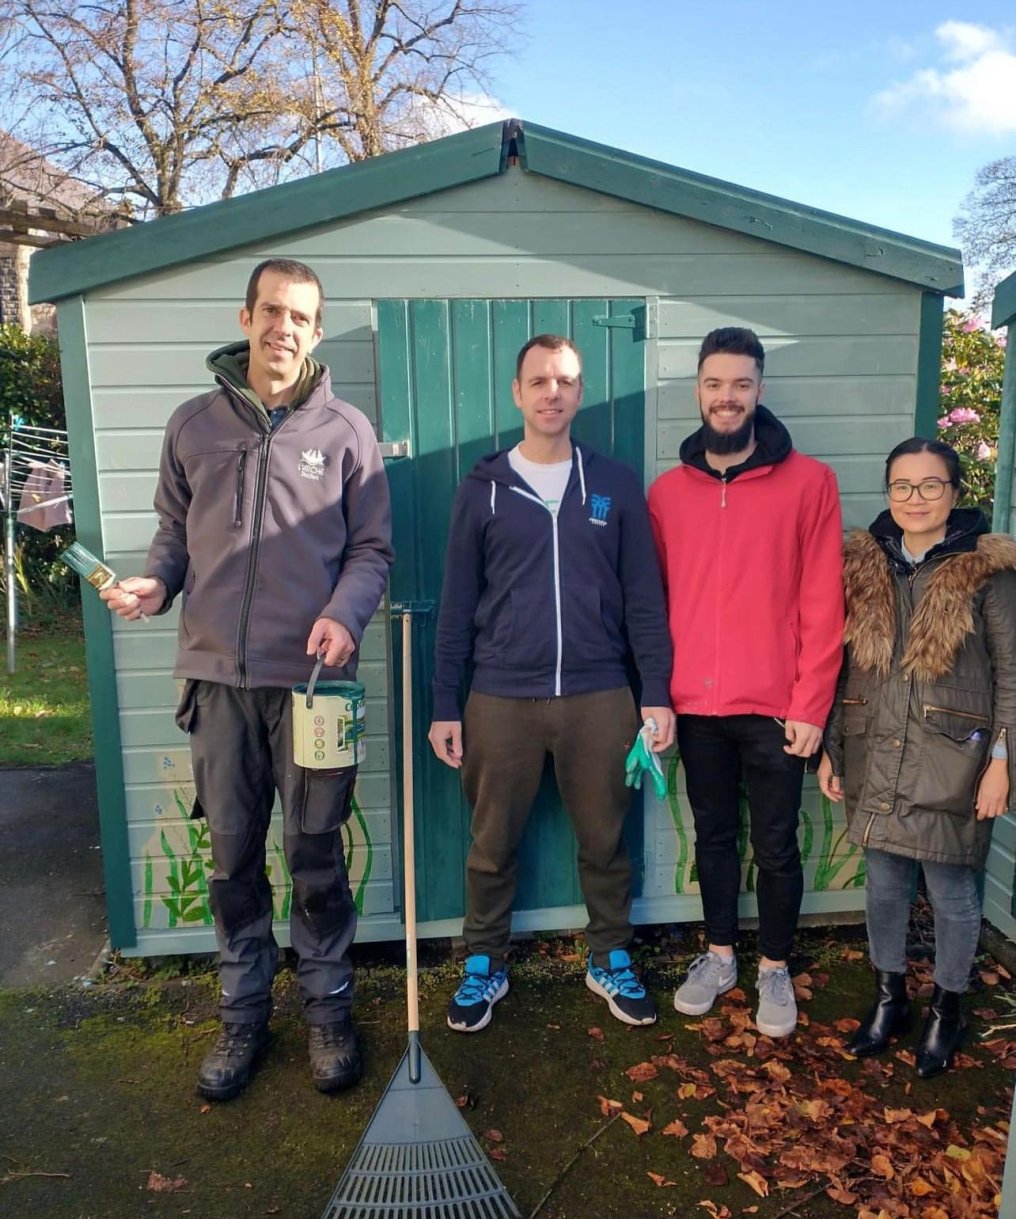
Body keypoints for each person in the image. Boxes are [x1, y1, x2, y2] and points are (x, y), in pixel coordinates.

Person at [101, 258, 394, 1101]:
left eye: (301, 316)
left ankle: (328, 1010)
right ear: (247, 315)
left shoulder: (346, 433)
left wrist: (345, 612)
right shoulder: (193, 425)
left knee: (313, 855)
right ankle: (242, 1014)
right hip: (216, 685)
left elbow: (372, 550)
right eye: (272, 311)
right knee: (231, 859)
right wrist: (158, 583)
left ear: (314, 328)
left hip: (312, 686)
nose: (284, 328)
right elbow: (171, 538)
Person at [427, 334, 675, 1033]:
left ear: (580, 389)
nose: (552, 392)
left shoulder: (615, 484)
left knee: (604, 839)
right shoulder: (482, 491)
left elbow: (644, 600)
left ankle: (610, 956)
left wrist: (654, 690)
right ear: (517, 392)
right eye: (538, 380)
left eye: (564, 380)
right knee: (491, 841)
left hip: (601, 694)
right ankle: (485, 962)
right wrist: (446, 701)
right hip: (500, 696)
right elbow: (456, 606)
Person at [647, 327, 844, 1038]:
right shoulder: (666, 493)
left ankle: (774, 967)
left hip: (777, 707)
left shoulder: (810, 482)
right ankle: (721, 954)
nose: (726, 397)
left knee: (779, 840)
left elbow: (825, 602)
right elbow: (655, 602)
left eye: (740, 384)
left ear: (759, 390)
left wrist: (811, 703)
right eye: (714, 383)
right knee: (714, 836)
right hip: (696, 707)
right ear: (698, 390)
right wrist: (658, 694)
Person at [819, 437, 1016, 1077]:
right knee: (883, 889)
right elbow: (844, 662)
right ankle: (890, 998)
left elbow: (1012, 674)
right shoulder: (867, 563)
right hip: (876, 747)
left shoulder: (989, 573)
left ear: (956, 493)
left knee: (953, 892)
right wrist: (832, 749)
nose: (915, 498)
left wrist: (1002, 762)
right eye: (901, 485)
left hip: (954, 759)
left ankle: (947, 1009)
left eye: (931, 485)